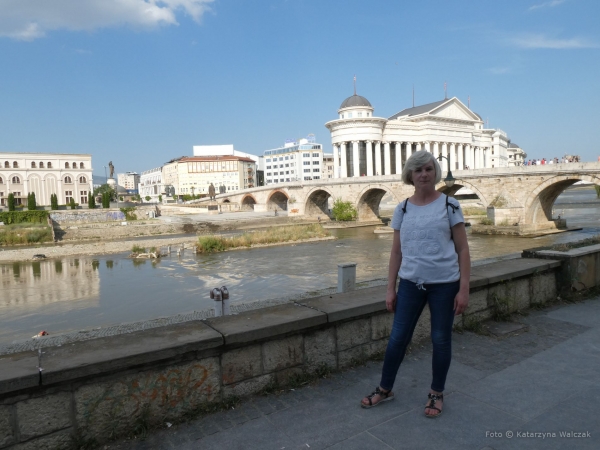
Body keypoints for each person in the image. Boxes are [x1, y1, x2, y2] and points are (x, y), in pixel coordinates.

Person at [360, 150, 471, 418]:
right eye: (418, 170)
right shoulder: (403, 208)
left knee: (440, 339)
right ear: (410, 175)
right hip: (410, 283)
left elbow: (463, 250)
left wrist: (464, 288)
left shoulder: (450, 205)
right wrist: (390, 287)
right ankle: (385, 388)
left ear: (435, 173)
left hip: (444, 284)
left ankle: (436, 393)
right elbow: (396, 252)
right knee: (397, 338)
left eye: (428, 169)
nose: (423, 174)